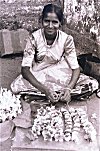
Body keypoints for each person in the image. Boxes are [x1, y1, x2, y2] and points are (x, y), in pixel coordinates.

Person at [11, 3, 99, 103]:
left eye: (54, 22)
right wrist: (45, 90)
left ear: (60, 23)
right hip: (39, 74)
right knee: (16, 86)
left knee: (92, 83)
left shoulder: (66, 39)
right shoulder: (34, 38)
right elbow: (25, 70)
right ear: (41, 21)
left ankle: (43, 96)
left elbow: (75, 68)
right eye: (47, 21)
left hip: (60, 73)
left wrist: (69, 89)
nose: (50, 26)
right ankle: (48, 94)